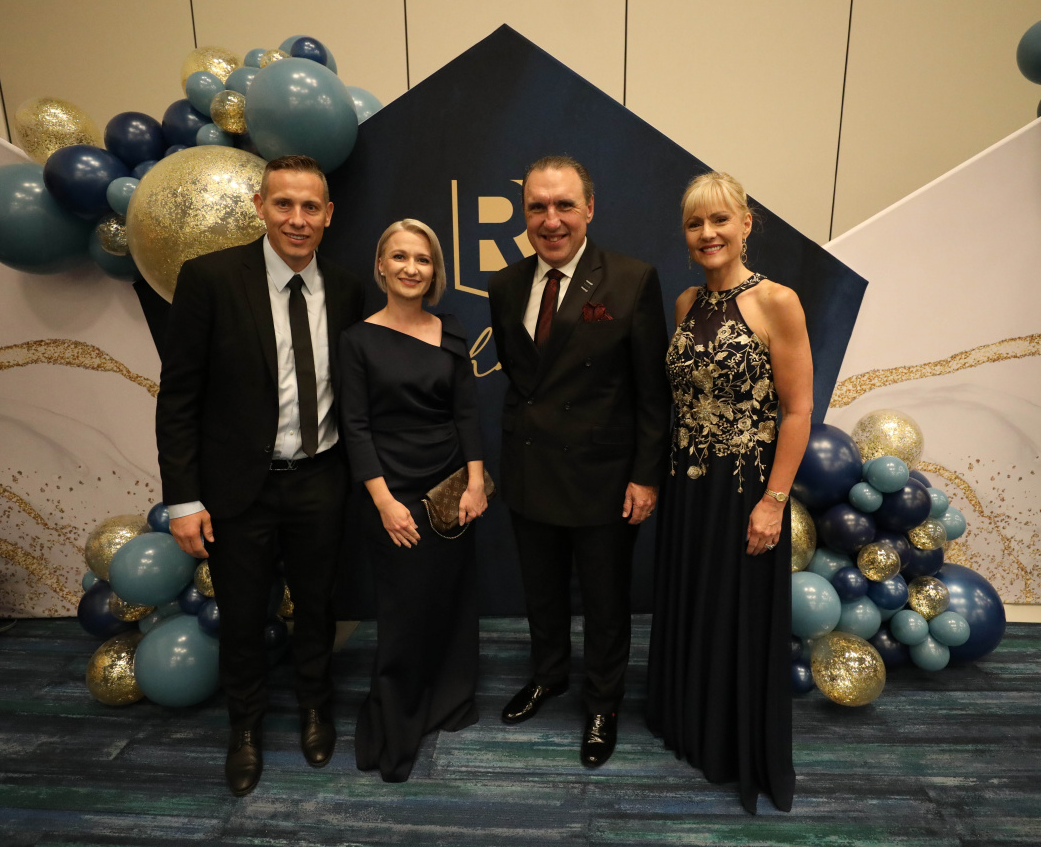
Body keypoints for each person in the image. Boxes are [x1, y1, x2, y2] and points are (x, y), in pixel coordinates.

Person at [155, 154, 365, 797]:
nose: (297, 219)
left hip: (321, 479)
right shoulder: (211, 279)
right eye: (284, 204)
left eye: (310, 207)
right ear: (260, 207)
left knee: (318, 606)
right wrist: (183, 498)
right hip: (238, 487)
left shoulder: (348, 288)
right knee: (243, 615)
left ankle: (314, 708)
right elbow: (179, 397)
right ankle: (244, 727)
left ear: (329, 215)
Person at [487, 155, 671, 768]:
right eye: (538, 206)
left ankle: (602, 703)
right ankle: (549, 675)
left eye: (564, 205)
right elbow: (522, 381)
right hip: (529, 467)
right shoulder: (505, 285)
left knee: (604, 601)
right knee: (541, 592)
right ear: (524, 214)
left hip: (603, 476)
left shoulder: (632, 279)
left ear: (589, 209)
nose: (551, 220)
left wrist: (645, 475)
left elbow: (652, 393)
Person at [645, 171, 813, 814]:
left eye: (719, 220)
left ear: (746, 223)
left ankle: (730, 743)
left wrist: (774, 501)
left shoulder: (778, 301)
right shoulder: (686, 302)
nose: (707, 233)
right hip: (687, 485)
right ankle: (691, 724)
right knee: (696, 601)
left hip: (745, 489)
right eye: (695, 223)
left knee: (736, 611)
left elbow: (798, 411)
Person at [339, 219, 488, 782]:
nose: (411, 268)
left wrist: (475, 481)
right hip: (393, 492)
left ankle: (448, 700)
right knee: (404, 613)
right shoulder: (357, 340)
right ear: (381, 266)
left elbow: (466, 413)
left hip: (450, 489)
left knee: (450, 600)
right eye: (399, 257)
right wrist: (383, 502)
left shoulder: (451, 331)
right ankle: (398, 719)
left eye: (422, 259)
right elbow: (355, 427)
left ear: (434, 270)